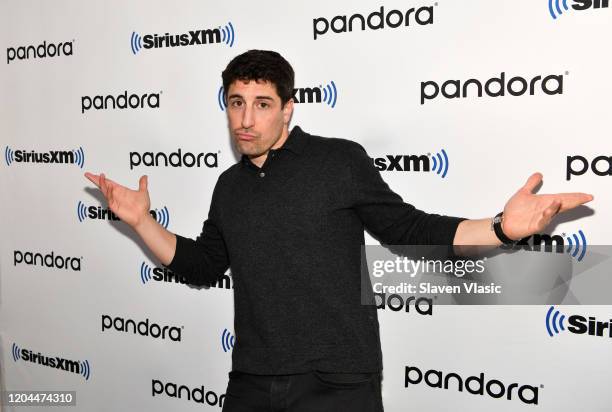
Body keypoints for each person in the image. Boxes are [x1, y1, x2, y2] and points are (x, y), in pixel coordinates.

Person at [85, 50, 593, 412]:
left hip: (338, 384)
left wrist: (503, 228)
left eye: (262, 104)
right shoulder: (228, 186)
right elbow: (202, 264)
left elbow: (411, 228)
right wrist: (141, 222)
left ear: (287, 108)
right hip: (251, 380)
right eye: (236, 102)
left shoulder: (338, 161)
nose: (246, 118)